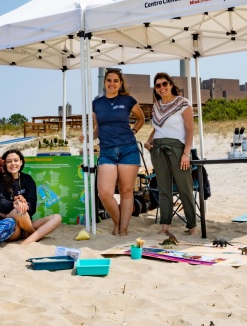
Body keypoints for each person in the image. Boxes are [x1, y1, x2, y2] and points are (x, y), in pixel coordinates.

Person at [82, 67, 145, 236]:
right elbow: (97, 129)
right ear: (104, 82)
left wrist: (134, 131)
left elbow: (141, 118)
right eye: (109, 80)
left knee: (126, 191)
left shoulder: (128, 100)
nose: (112, 83)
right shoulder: (97, 103)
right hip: (107, 151)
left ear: (120, 83)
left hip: (128, 149)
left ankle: (122, 230)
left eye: (115, 81)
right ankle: (117, 222)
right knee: (104, 193)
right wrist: (88, 138)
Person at [143, 72, 197, 235]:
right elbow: (158, 127)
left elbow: (190, 129)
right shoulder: (156, 105)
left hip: (177, 148)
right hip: (158, 149)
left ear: (171, 84)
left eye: (164, 84)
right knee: (163, 188)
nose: (161, 88)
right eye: (158, 85)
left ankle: (192, 226)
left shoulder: (182, 103)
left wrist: (186, 153)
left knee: (184, 187)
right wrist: (149, 140)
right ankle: (165, 226)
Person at [0, 149, 61, 244]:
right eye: (9, 161)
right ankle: (34, 235)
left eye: (16, 160)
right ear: (4, 164)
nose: (13, 163)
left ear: (21, 162)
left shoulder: (27, 179)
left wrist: (25, 205)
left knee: (57, 218)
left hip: (26, 222)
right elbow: (0, 204)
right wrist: (15, 204)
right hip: (10, 227)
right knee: (19, 210)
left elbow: (32, 206)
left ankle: (25, 242)